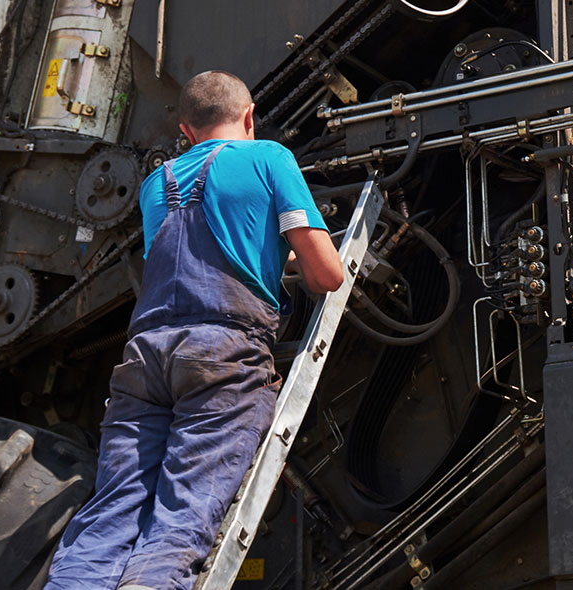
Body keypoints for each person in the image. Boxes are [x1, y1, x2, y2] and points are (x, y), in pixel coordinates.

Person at [45, 71, 347, 590]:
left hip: (145, 359)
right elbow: (327, 276)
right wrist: (296, 256)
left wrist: (273, 256)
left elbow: (189, 260)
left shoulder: (155, 185)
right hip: (221, 356)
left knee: (109, 517)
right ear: (249, 116)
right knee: (179, 522)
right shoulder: (269, 158)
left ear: (185, 131)